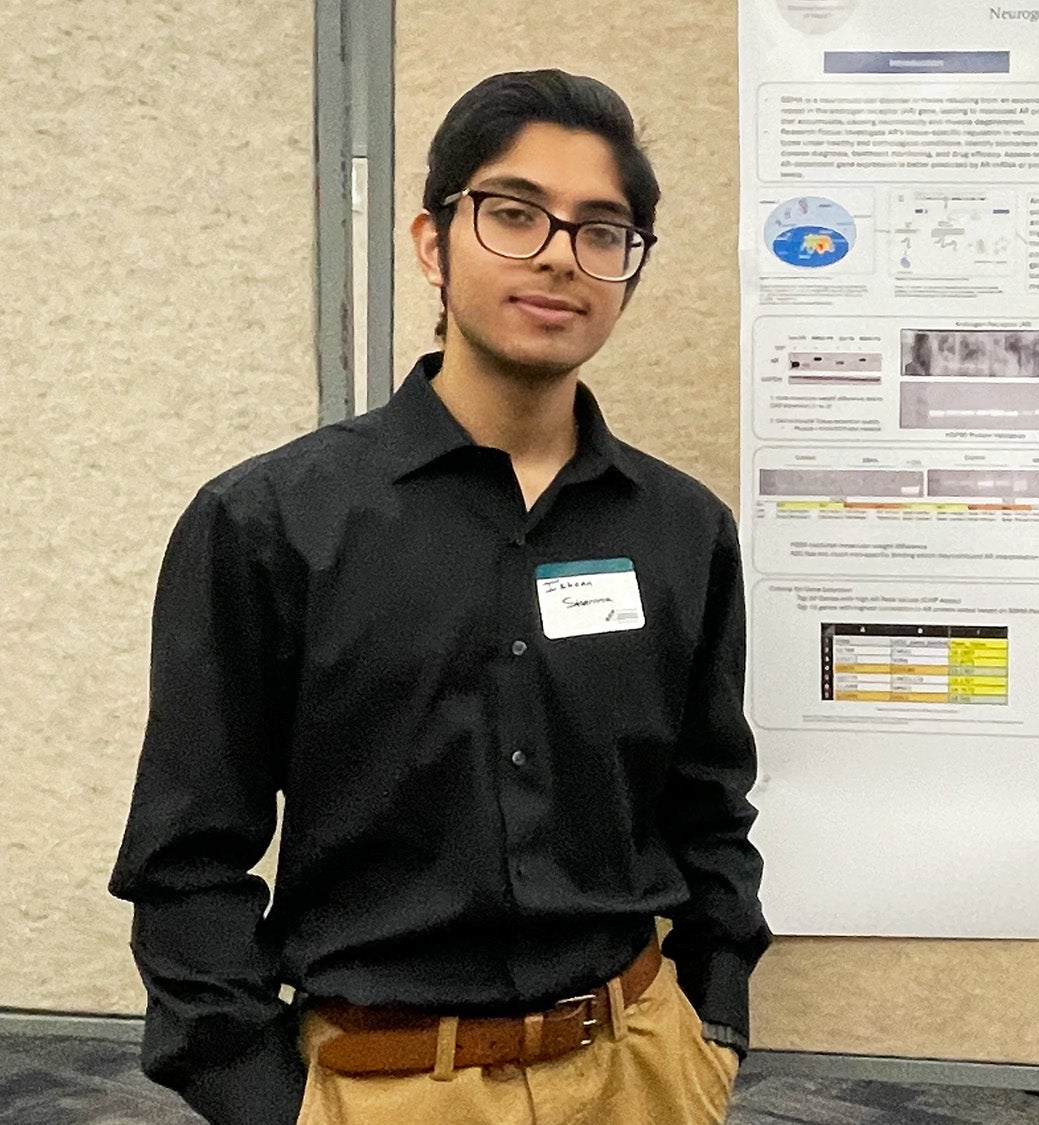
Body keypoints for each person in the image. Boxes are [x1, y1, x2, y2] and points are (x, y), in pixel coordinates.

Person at [108, 70, 769, 1125]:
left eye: (604, 230)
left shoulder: (681, 531)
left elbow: (708, 803)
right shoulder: (269, 523)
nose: (560, 252)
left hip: (640, 1072)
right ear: (431, 241)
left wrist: (716, 1022)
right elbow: (186, 855)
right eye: (513, 214)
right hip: (380, 1087)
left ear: (628, 273)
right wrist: (259, 1094)